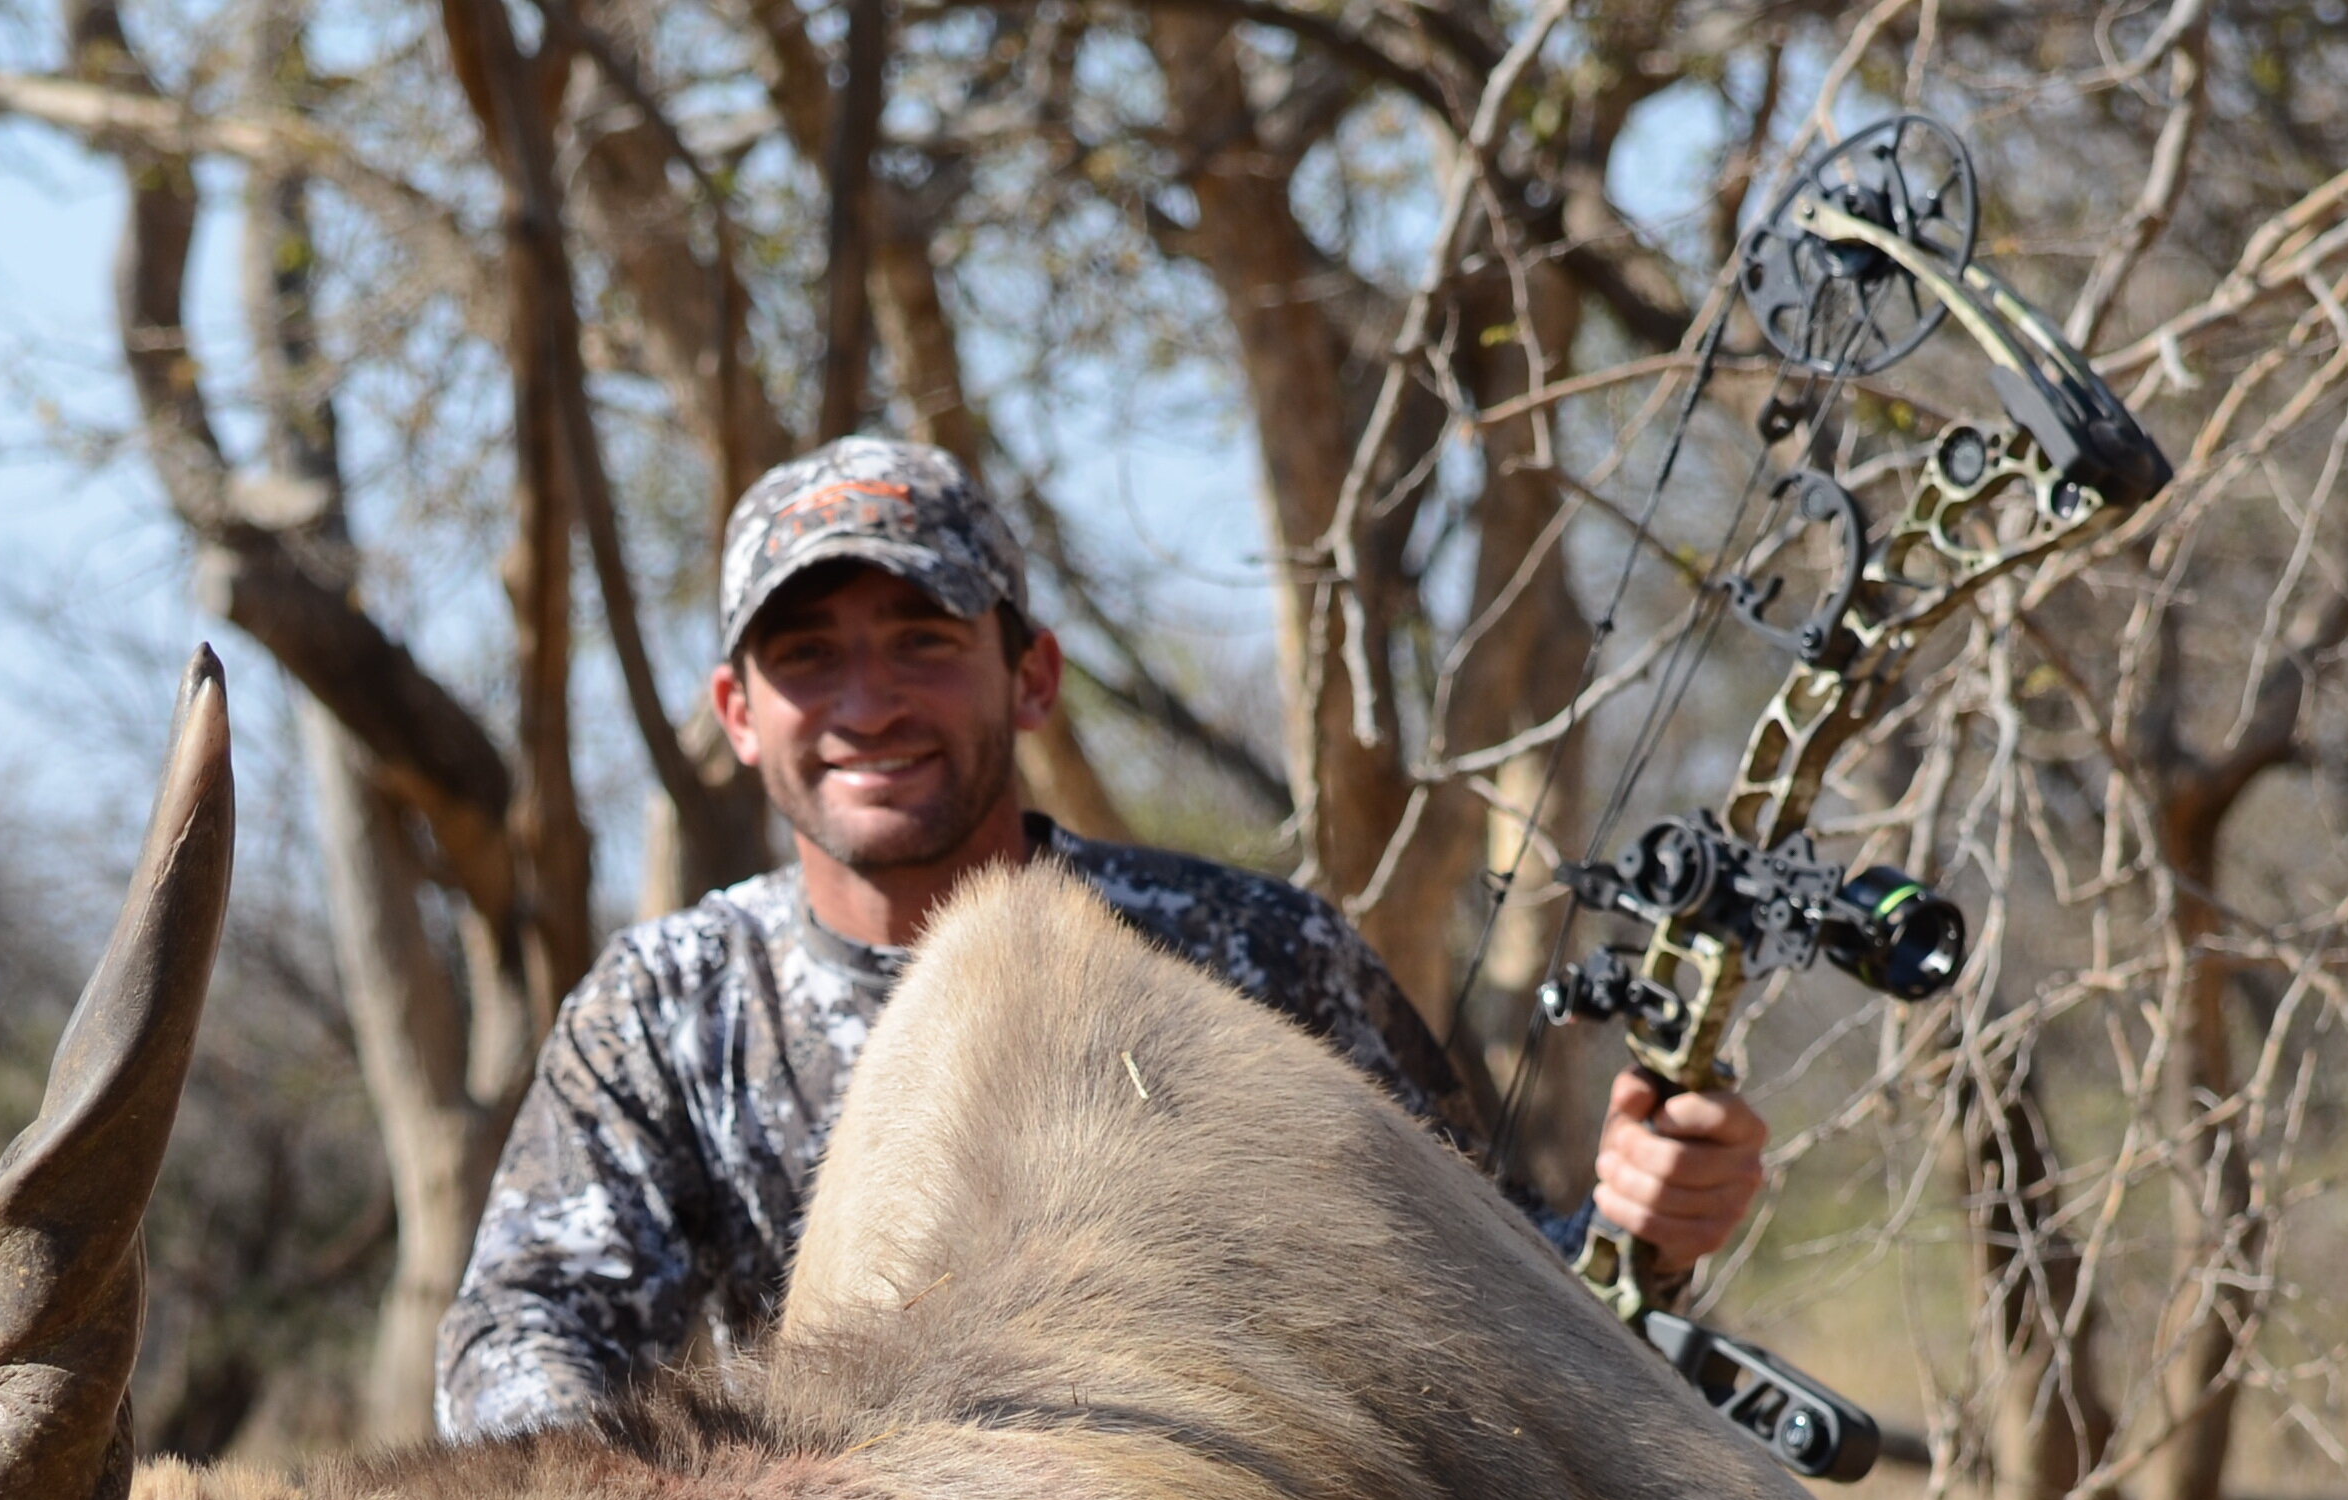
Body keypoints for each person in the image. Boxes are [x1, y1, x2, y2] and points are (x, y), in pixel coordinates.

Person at [433, 436, 1765, 1443]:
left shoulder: (1248, 955)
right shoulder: (667, 1011)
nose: (867, 702)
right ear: (736, 710)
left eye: (921, 640)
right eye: (807, 657)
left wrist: (1651, 1229)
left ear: (1031, 676)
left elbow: (1489, 1293)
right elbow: (520, 1338)